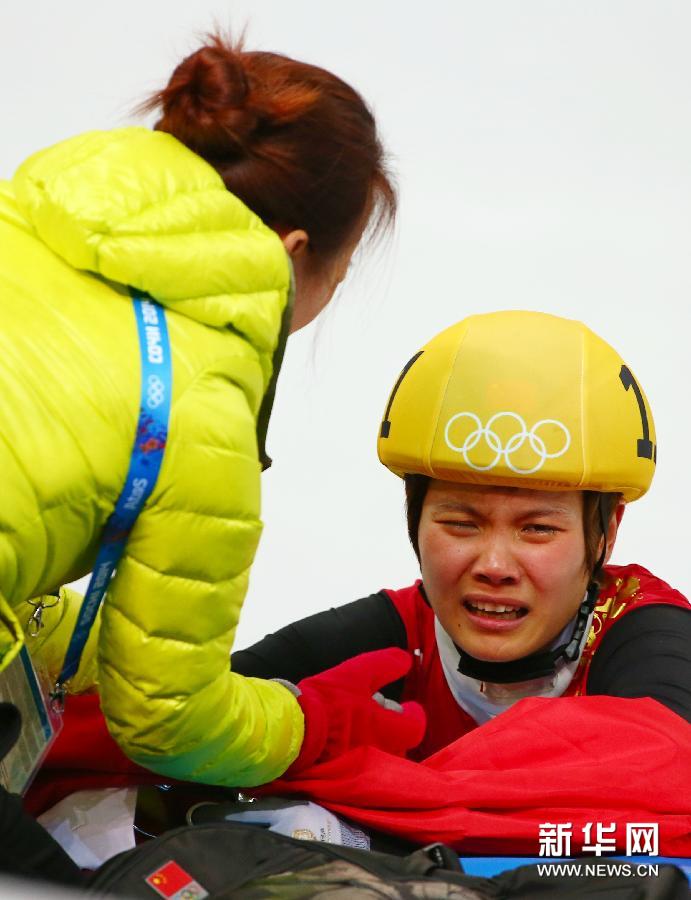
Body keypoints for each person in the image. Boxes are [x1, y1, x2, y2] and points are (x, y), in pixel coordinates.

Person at [0, 30, 413, 802]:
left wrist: (95, 652)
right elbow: (168, 722)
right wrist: (312, 719)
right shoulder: (199, 402)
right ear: (294, 255)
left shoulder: (22, 215)